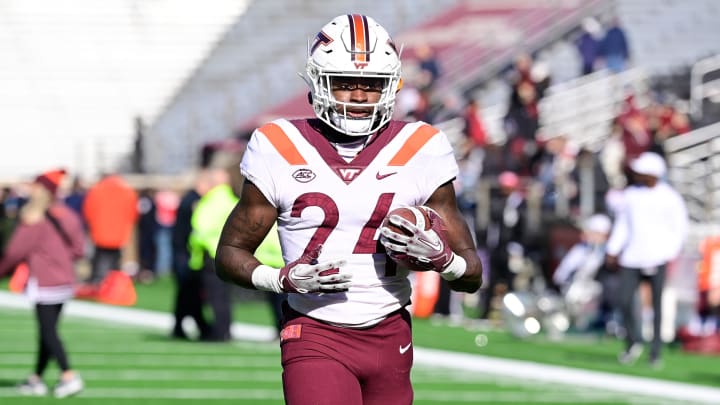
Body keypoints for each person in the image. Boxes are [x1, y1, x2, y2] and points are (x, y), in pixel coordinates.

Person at [214, 14, 482, 405]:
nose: (358, 96)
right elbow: (228, 254)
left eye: (372, 85)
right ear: (319, 83)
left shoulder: (422, 146)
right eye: (344, 83)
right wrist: (282, 280)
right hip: (314, 328)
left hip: (391, 331)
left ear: (390, 87)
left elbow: (472, 274)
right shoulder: (277, 144)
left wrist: (445, 261)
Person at [0, 169, 85, 398]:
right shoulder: (67, 215)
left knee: (48, 332)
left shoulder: (34, 217)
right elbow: (78, 249)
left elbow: (15, 251)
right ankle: (36, 378)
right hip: (64, 280)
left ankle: (68, 374)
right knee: (48, 331)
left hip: (46, 281)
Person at [605, 152, 688, 367]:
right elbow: (623, 224)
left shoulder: (670, 197)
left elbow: (679, 228)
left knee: (657, 305)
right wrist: (613, 248)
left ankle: (656, 352)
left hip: (657, 257)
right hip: (632, 256)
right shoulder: (632, 195)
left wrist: (669, 253)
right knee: (623, 300)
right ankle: (633, 341)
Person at [188, 166, 238, 342]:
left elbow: (201, 228)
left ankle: (219, 332)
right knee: (224, 297)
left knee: (216, 297)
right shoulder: (231, 200)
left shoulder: (212, 201)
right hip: (228, 254)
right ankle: (225, 330)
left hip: (211, 254)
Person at [170, 170, 213, 340]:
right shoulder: (194, 201)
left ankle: (183, 327)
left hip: (182, 252)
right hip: (186, 254)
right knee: (190, 293)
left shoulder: (189, 199)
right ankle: (200, 327)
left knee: (186, 294)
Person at [82, 173, 138, 284]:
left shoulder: (96, 190)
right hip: (119, 234)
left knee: (99, 257)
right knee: (115, 259)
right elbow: (133, 214)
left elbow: (88, 211)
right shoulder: (128, 191)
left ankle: (97, 280)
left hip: (99, 232)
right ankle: (113, 283)